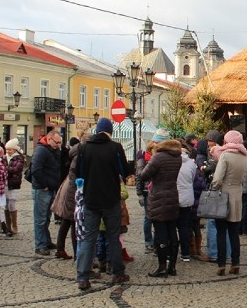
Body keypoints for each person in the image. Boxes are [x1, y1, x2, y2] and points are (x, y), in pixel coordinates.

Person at [75, 118, 131, 290]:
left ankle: (83, 277)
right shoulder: (115, 148)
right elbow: (124, 170)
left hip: (91, 199)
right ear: (110, 131)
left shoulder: (84, 148)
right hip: (111, 199)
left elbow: (79, 174)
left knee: (88, 238)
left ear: (97, 130)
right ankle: (117, 273)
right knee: (113, 236)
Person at [140, 135, 182, 278]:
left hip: (158, 196)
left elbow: (144, 175)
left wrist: (141, 165)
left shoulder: (158, 157)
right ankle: (173, 267)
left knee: (160, 232)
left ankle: (162, 266)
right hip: (172, 195)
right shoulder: (177, 156)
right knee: (172, 230)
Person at [210, 130, 247, 275]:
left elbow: (218, 178)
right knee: (234, 232)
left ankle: (221, 264)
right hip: (237, 194)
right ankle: (236, 263)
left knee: (221, 231)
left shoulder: (226, 156)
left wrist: (213, 188)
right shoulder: (245, 157)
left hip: (223, 194)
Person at [30, 130, 63, 255]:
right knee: (40, 219)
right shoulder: (41, 150)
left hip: (51, 188)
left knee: (47, 218)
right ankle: (40, 245)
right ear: (49, 139)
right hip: (42, 189)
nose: (58, 145)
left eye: (60, 142)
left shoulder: (53, 150)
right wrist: (43, 184)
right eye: (56, 142)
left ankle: (46, 241)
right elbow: (36, 169)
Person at [52, 137, 84, 260]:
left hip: (68, 189)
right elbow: (75, 178)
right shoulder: (78, 157)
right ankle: (77, 254)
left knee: (66, 221)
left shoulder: (74, 154)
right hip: (72, 191)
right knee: (73, 221)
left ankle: (60, 249)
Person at [4, 138, 25, 235]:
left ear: (15, 150)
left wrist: (6, 168)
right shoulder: (4, 157)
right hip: (5, 184)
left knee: (12, 204)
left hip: (14, 183)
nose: (8, 151)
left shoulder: (19, 158)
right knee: (5, 205)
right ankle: (8, 226)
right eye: (7, 149)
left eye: (10, 149)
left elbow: (17, 169)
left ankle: (14, 225)